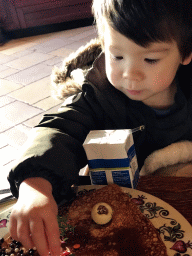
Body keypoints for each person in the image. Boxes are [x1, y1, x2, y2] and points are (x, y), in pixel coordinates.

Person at [8, 0, 192, 255]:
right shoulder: (98, 98)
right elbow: (60, 128)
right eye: (117, 56)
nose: (130, 73)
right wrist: (35, 183)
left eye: (150, 59)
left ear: (185, 53)